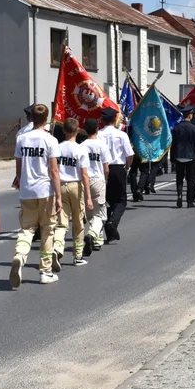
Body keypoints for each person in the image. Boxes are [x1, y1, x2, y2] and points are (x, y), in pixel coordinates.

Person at [11, 104, 63, 287]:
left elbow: (18, 169)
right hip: (45, 190)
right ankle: (45, 271)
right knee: (47, 230)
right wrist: (58, 196)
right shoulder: (50, 140)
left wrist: (21, 183)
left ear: (31, 118)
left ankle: (20, 255)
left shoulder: (21, 139)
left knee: (27, 229)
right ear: (46, 119)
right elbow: (54, 171)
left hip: (27, 189)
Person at [53, 117, 94, 268]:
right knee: (78, 222)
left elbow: (54, 169)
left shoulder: (58, 148)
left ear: (63, 130)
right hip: (76, 186)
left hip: (61, 185)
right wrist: (88, 197)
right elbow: (84, 174)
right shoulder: (80, 149)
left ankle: (57, 248)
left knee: (61, 222)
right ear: (77, 130)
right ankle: (78, 255)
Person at [99, 107, 134, 243]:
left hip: (103, 168)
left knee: (107, 200)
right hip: (119, 168)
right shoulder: (121, 135)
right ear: (115, 119)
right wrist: (127, 167)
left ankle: (108, 225)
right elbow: (130, 155)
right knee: (121, 200)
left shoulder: (99, 134)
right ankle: (112, 223)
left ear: (102, 120)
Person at [80, 118, 111, 253]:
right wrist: (106, 179)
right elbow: (106, 167)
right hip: (98, 179)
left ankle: (97, 241)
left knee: (90, 212)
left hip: (85, 180)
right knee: (100, 213)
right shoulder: (102, 145)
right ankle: (92, 234)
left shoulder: (82, 146)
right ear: (97, 129)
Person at [171, 107, 195, 208]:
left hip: (179, 156)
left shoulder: (177, 128)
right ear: (190, 115)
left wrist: (172, 158)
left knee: (179, 178)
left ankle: (179, 196)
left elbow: (173, 144)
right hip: (191, 156)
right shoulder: (194, 128)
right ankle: (189, 201)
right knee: (191, 179)